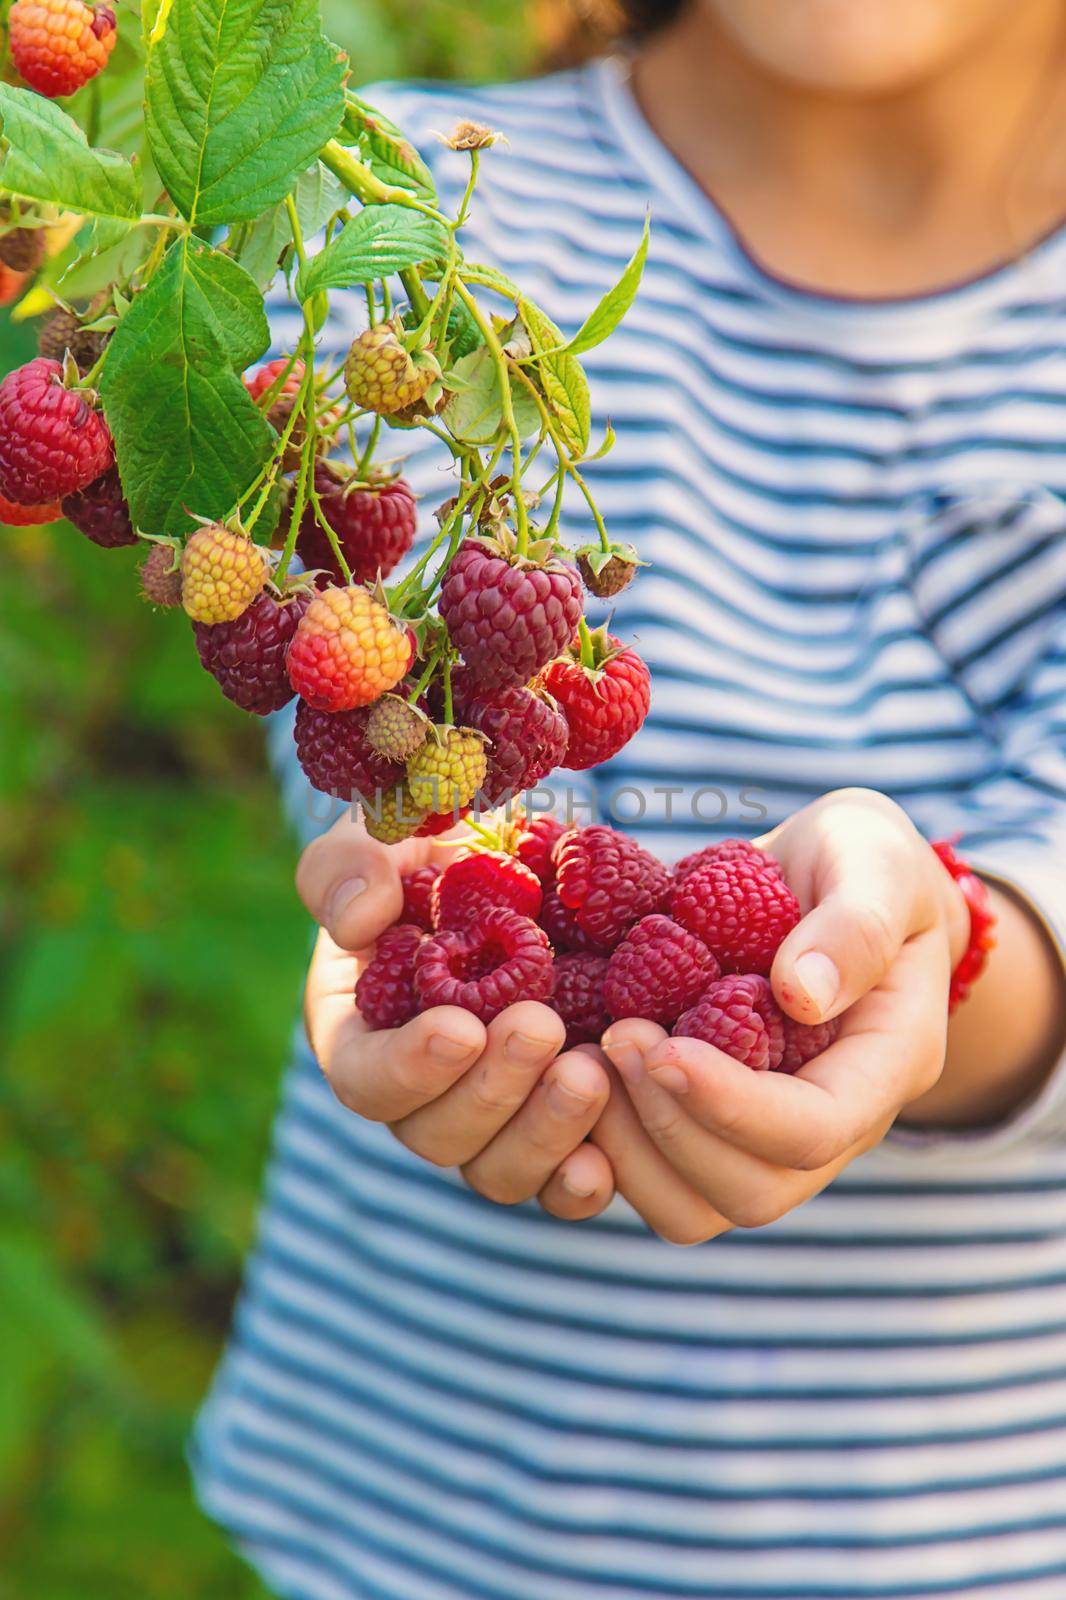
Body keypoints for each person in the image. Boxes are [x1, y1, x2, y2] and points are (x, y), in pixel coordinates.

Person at [194, 2, 1066, 1595]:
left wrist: (934, 948)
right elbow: (366, 711)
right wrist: (421, 890)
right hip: (409, 1518)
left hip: (971, 1537)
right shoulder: (390, 215)